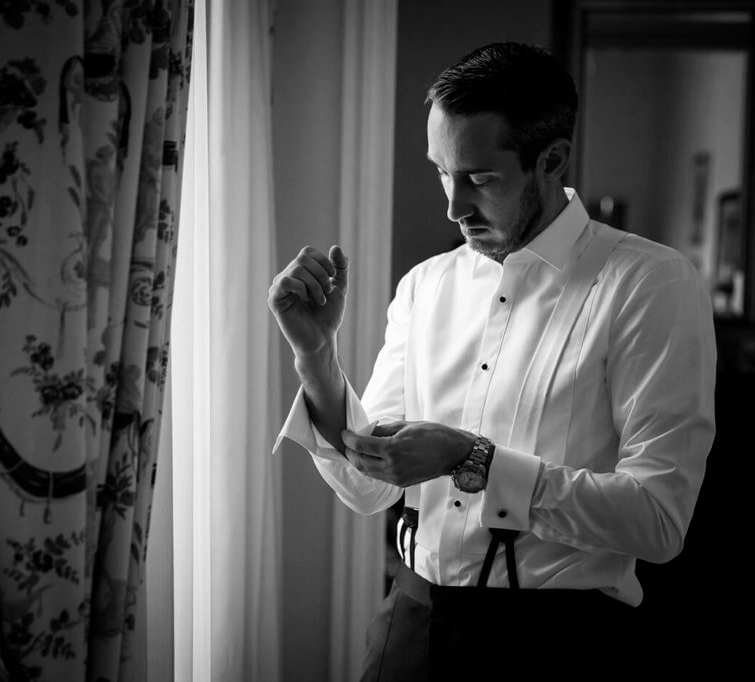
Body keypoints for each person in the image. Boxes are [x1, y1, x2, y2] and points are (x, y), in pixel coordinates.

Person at [269, 42, 716, 680]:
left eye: (478, 178)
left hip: (559, 644)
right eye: (441, 173)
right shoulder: (425, 286)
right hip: (410, 627)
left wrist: (472, 459)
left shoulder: (649, 284)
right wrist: (314, 355)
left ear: (551, 160)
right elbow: (369, 486)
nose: (453, 207)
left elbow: (659, 520)